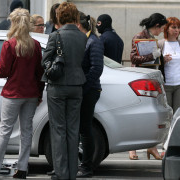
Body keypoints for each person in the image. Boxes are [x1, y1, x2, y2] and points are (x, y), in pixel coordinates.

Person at [0, 8, 44, 179]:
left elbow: (3, 72)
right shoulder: (35, 45)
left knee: (5, 131)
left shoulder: (10, 44)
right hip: (31, 93)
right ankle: (22, 168)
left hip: (13, 93)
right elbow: (40, 73)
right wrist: (39, 94)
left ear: (14, 23)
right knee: (26, 131)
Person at [41, 2, 87, 179]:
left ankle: (62, 173)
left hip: (58, 87)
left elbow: (44, 61)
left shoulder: (55, 35)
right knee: (73, 130)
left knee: (58, 130)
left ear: (59, 17)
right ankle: (73, 173)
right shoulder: (83, 37)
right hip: (76, 86)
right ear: (75, 17)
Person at [129, 13, 168, 160]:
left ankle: (151, 147)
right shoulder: (139, 36)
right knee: (135, 113)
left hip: (149, 80)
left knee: (151, 115)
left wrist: (159, 57)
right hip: (139, 80)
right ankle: (132, 149)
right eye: (161, 28)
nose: (161, 31)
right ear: (157, 26)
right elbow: (133, 58)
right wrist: (153, 55)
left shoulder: (151, 38)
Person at [76, 12, 104, 178]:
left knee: (85, 129)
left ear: (79, 25)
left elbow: (96, 68)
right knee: (82, 129)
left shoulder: (93, 41)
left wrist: (83, 87)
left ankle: (87, 167)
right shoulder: (87, 40)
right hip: (86, 88)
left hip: (90, 90)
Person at [158, 17, 180, 113]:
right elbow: (154, 65)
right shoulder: (160, 44)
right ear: (167, 28)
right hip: (165, 85)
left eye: (178, 28)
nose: (177, 30)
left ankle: (179, 129)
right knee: (167, 114)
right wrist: (163, 61)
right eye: (174, 27)